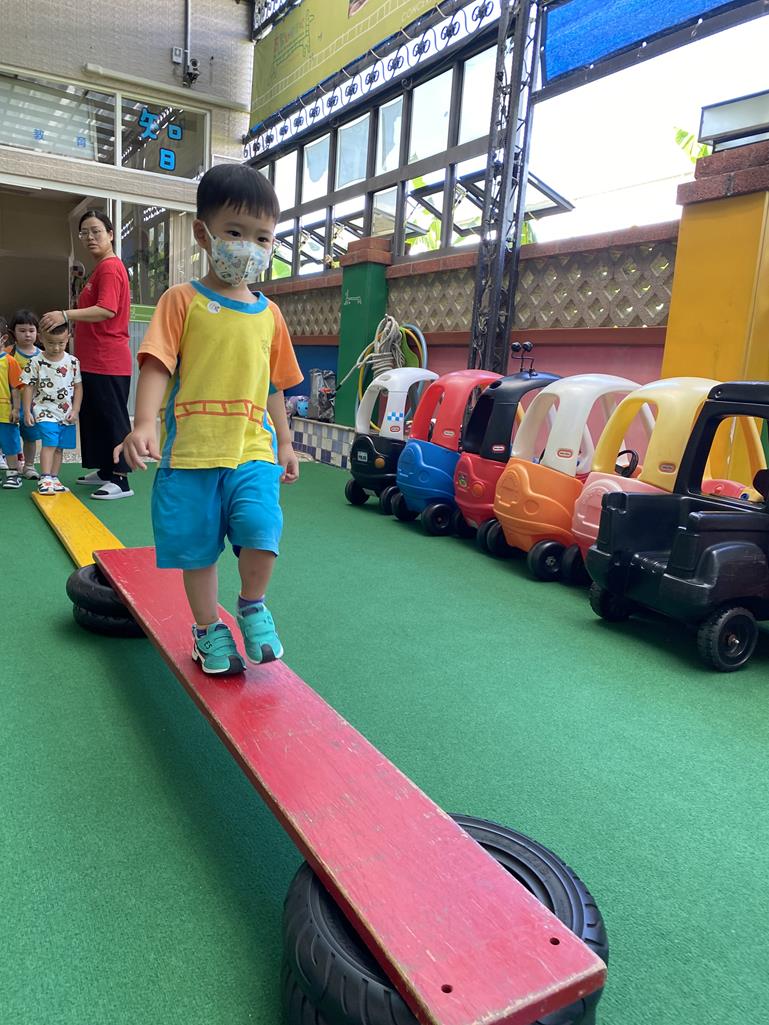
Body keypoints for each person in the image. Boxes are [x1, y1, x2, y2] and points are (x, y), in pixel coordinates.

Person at [116, 164, 303, 675]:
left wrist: (286, 443)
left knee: (262, 529)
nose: (249, 248)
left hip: (252, 449)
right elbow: (157, 364)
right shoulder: (183, 301)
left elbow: (275, 386)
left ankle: (252, 605)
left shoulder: (270, 315)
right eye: (235, 233)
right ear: (204, 234)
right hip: (193, 454)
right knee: (197, 551)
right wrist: (144, 422)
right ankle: (206, 630)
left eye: (262, 238)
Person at [40, 210, 133, 500]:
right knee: (95, 417)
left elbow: (107, 309)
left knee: (111, 419)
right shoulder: (100, 269)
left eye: (96, 231)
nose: (90, 237)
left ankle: (120, 479)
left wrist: (65, 314)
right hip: (93, 359)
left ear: (111, 234)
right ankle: (106, 470)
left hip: (108, 360)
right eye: (84, 233)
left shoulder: (110, 268)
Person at [21, 322, 82, 495]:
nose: (56, 348)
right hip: (43, 410)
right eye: (50, 343)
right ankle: (45, 477)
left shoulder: (73, 362)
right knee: (50, 443)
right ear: (41, 338)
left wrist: (75, 410)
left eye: (61, 343)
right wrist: (27, 411)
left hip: (65, 412)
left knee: (60, 447)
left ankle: (54, 477)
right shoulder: (35, 362)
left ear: (68, 338)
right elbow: (28, 387)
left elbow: (78, 387)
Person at [7, 310, 42, 479]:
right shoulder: (8, 353)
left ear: (37, 332)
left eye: (31, 330)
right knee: (8, 435)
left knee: (30, 437)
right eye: (22, 330)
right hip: (10, 404)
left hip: (32, 406)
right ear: (13, 332)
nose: (27, 334)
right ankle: (12, 464)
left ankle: (29, 465)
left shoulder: (42, 356)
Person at [0, 317, 22, 489]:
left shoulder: (10, 361)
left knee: (10, 444)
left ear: (4, 338)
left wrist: (16, 409)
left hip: (5, 413)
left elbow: (16, 388)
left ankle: (13, 474)